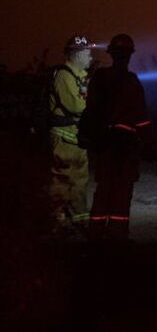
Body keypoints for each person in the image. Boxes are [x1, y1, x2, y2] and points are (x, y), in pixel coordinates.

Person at [78, 34, 153, 241]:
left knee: (103, 188)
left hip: (104, 143)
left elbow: (90, 109)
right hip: (126, 145)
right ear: (129, 56)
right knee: (122, 189)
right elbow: (141, 117)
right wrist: (149, 145)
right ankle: (117, 234)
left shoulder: (99, 78)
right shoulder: (132, 81)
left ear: (111, 54)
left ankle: (95, 232)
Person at [47, 35, 93, 233]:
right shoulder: (64, 75)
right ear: (78, 54)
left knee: (79, 180)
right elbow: (75, 106)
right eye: (88, 52)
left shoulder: (79, 75)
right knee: (63, 180)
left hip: (76, 138)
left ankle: (79, 220)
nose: (91, 56)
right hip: (64, 137)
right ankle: (59, 221)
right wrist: (94, 106)